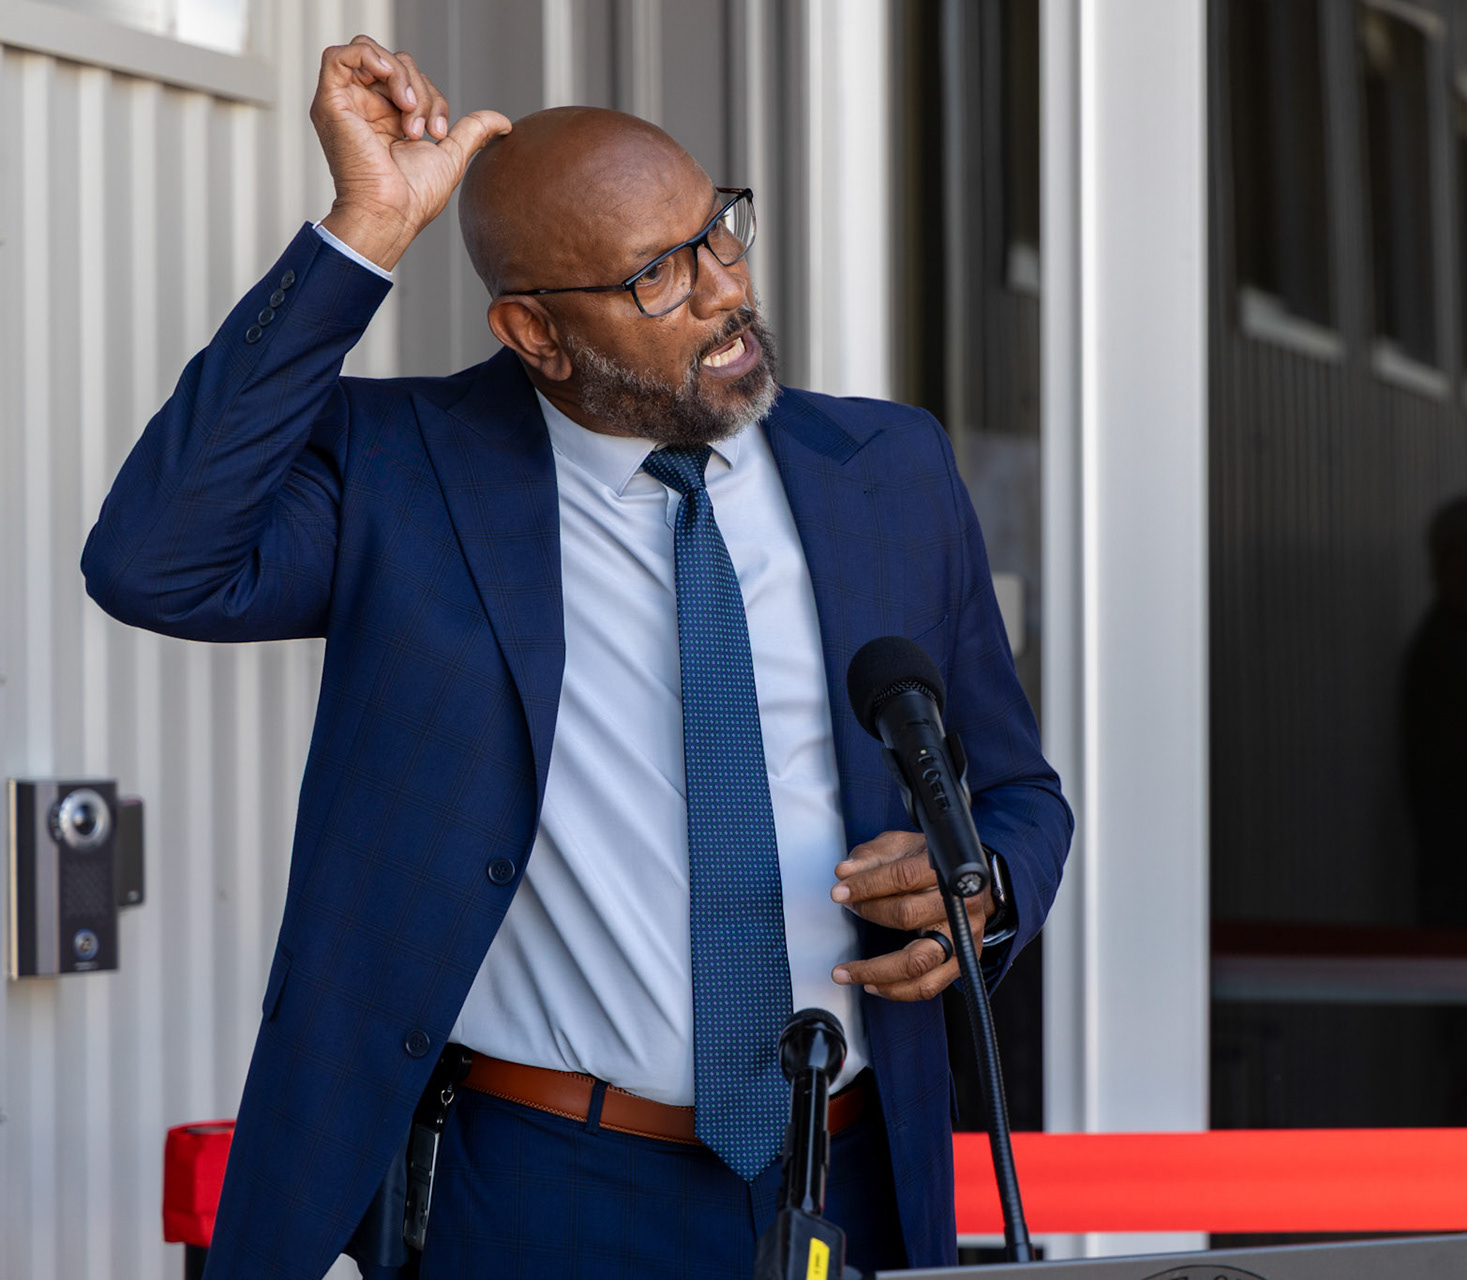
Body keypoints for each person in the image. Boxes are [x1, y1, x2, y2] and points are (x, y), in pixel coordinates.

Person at [82, 35, 1070, 1280]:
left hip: (849, 1173)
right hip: (543, 1187)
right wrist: (363, 232)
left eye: (719, 232)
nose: (722, 290)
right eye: (658, 274)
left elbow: (1021, 797)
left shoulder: (891, 471)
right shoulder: (406, 473)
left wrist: (977, 891)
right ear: (535, 335)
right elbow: (152, 561)